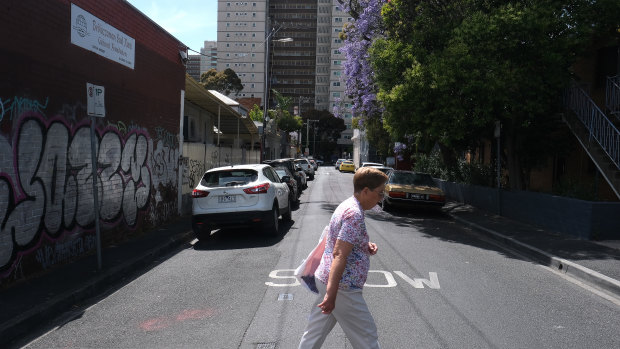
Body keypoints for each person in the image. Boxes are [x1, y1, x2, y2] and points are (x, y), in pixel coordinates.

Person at [299, 167, 388, 349]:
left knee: (314, 333)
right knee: (367, 337)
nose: (381, 198)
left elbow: (339, 239)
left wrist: (364, 245)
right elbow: (339, 253)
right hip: (343, 287)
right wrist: (332, 295)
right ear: (365, 191)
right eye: (379, 193)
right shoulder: (354, 214)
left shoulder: (348, 205)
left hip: (327, 279)